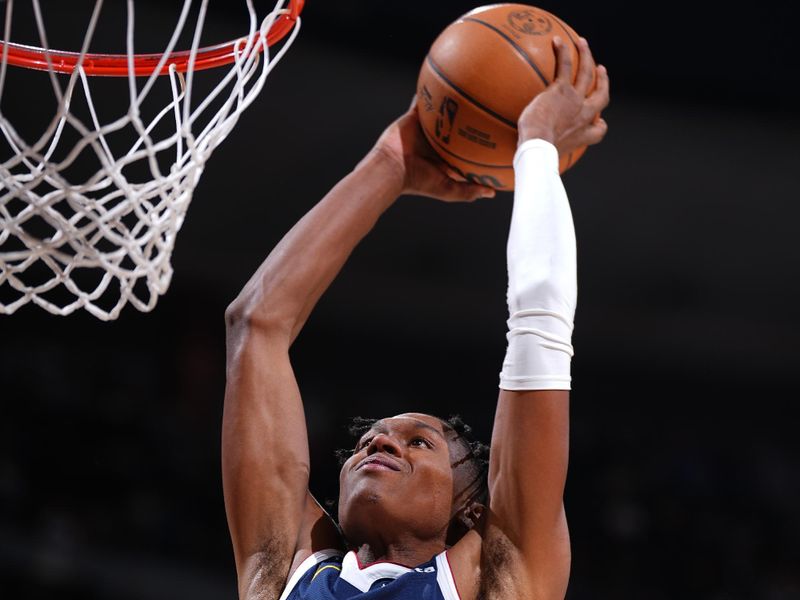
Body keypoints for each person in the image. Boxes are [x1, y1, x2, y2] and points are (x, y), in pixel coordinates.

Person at [222, 35, 610, 600]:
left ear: (469, 510)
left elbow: (540, 322)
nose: (378, 444)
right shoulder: (285, 572)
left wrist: (536, 144)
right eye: (368, 441)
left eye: (420, 443)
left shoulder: (498, 577)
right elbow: (255, 325)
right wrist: (389, 163)